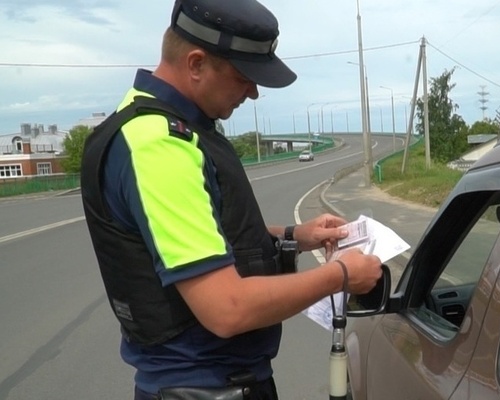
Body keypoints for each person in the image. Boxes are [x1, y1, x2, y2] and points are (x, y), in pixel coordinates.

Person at [79, 1, 383, 399]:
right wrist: (340, 275)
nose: (254, 93)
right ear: (196, 64)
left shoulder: (168, 127)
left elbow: (200, 235)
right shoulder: (160, 147)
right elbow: (227, 309)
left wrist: (296, 235)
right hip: (204, 387)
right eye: (244, 76)